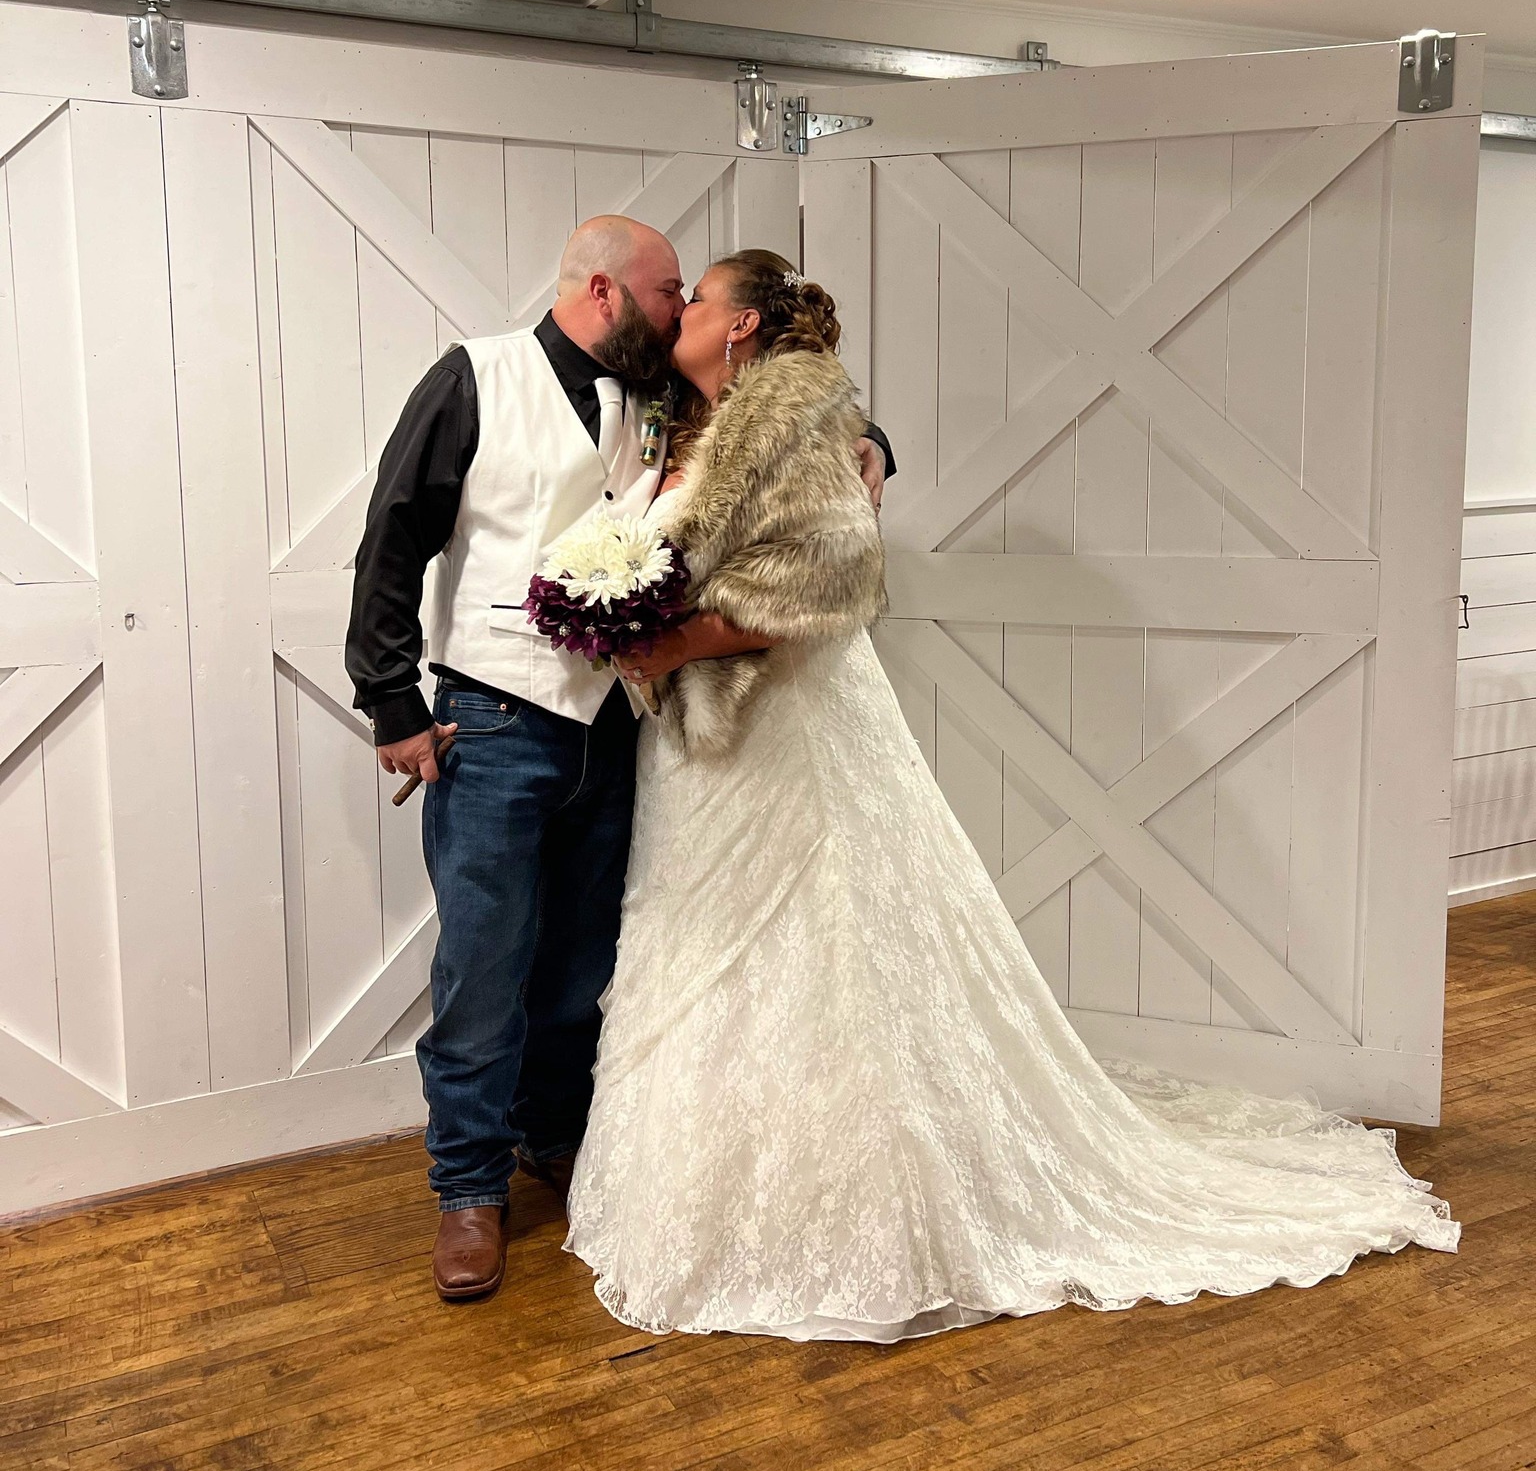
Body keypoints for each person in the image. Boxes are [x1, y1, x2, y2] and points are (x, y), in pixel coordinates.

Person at [564, 249, 1460, 1343]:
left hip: (787, 735)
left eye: (697, 299)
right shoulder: (675, 418)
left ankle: (867, 1211)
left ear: (743, 325)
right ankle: (704, 1190)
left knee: (828, 948)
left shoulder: (792, 420)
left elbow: (825, 582)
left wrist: (669, 641)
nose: (680, 315)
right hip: (697, 757)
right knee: (699, 946)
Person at [345, 216, 892, 1303]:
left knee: (584, 964)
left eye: (693, 295)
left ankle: (555, 1135)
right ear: (604, 289)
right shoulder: (473, 378)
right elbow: (393, 538)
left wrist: (873, 442)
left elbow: (779, 410)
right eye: (667, 289)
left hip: (620, 728)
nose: (681, 307)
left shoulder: (661, 391)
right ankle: (467, 1185)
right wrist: (392, 702)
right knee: (483, 968)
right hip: (493, 720)